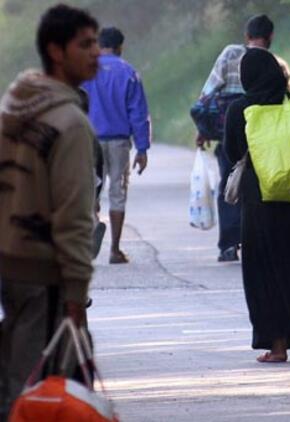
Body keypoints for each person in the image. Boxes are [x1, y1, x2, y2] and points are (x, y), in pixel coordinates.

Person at [0, 4, 99, 417]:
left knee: (16, 373)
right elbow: (75, 216)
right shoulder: (70, 123)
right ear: (56, 51)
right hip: (47, 272)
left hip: (10, 267)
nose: (96, 53)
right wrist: (77, 291)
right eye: (86, 44)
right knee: (44, 391)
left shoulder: (13, 111)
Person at [224, 48, 290, 363]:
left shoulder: (240, 109)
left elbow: (233, 153)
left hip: (262, 202)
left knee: (265, 273)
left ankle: (278, 345)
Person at [196, 14, 274, 262]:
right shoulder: (271, 60)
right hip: (262, 129)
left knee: (230, 182)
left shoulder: (230, 53)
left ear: (246, 36)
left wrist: (203, 127)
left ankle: (229, 244)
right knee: (261, 186)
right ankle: (259, 241)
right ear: (270, 37)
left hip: (231, 124)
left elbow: (209, 90)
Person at [83, 27, 151, 265]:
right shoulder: (129, 73)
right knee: (118, 193)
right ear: (120, 47)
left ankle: (93, 224)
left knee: (91, 190)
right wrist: (142, 149)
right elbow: (138, 113)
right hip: (120, 142)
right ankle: (114, 250)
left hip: (90, 142)